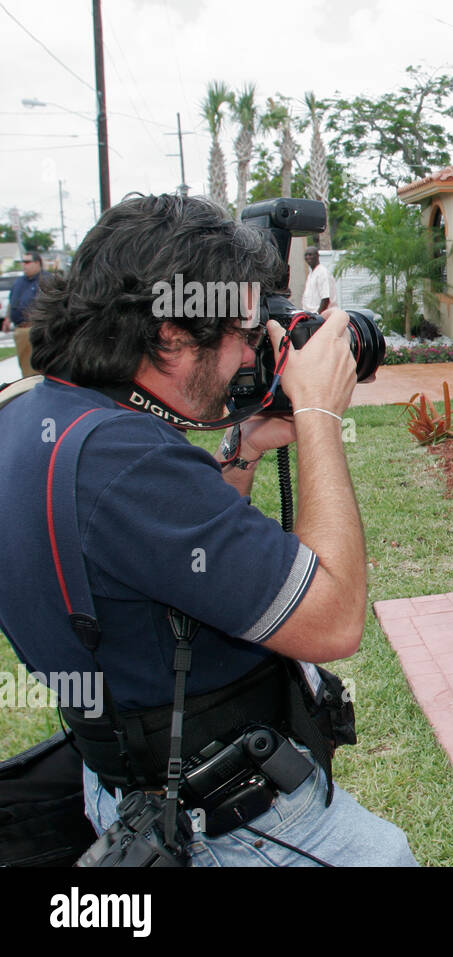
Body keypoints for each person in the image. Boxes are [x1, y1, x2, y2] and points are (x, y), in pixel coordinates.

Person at [0, 194, 415, 866]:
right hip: (227, 818)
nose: (249, 355)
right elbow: (334, 620)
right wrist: (319, 415)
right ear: (170, 331)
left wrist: (243, 449)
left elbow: (168, 560)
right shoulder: (127, 462)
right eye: (243, 331)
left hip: (125, 786)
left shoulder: (38, 415)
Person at [2, 251, 44, 377]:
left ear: (37, 263)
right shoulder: (19, 282)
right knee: (25, 369)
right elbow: (12, 301)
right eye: (23, 262)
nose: (24, 265)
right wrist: (8, 318)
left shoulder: (46, 280)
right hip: (20, 330)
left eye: (27, 262)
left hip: (37, 330)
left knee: (37, 369)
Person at [302, 244, 340, 313]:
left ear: (317, 256)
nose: (308, 257)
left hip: (323, 316)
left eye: (310, 255)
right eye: (306, 255)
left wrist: (318, 316)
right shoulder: (312, 274)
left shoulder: (322, 272)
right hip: (311, 315)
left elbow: (326, 298)